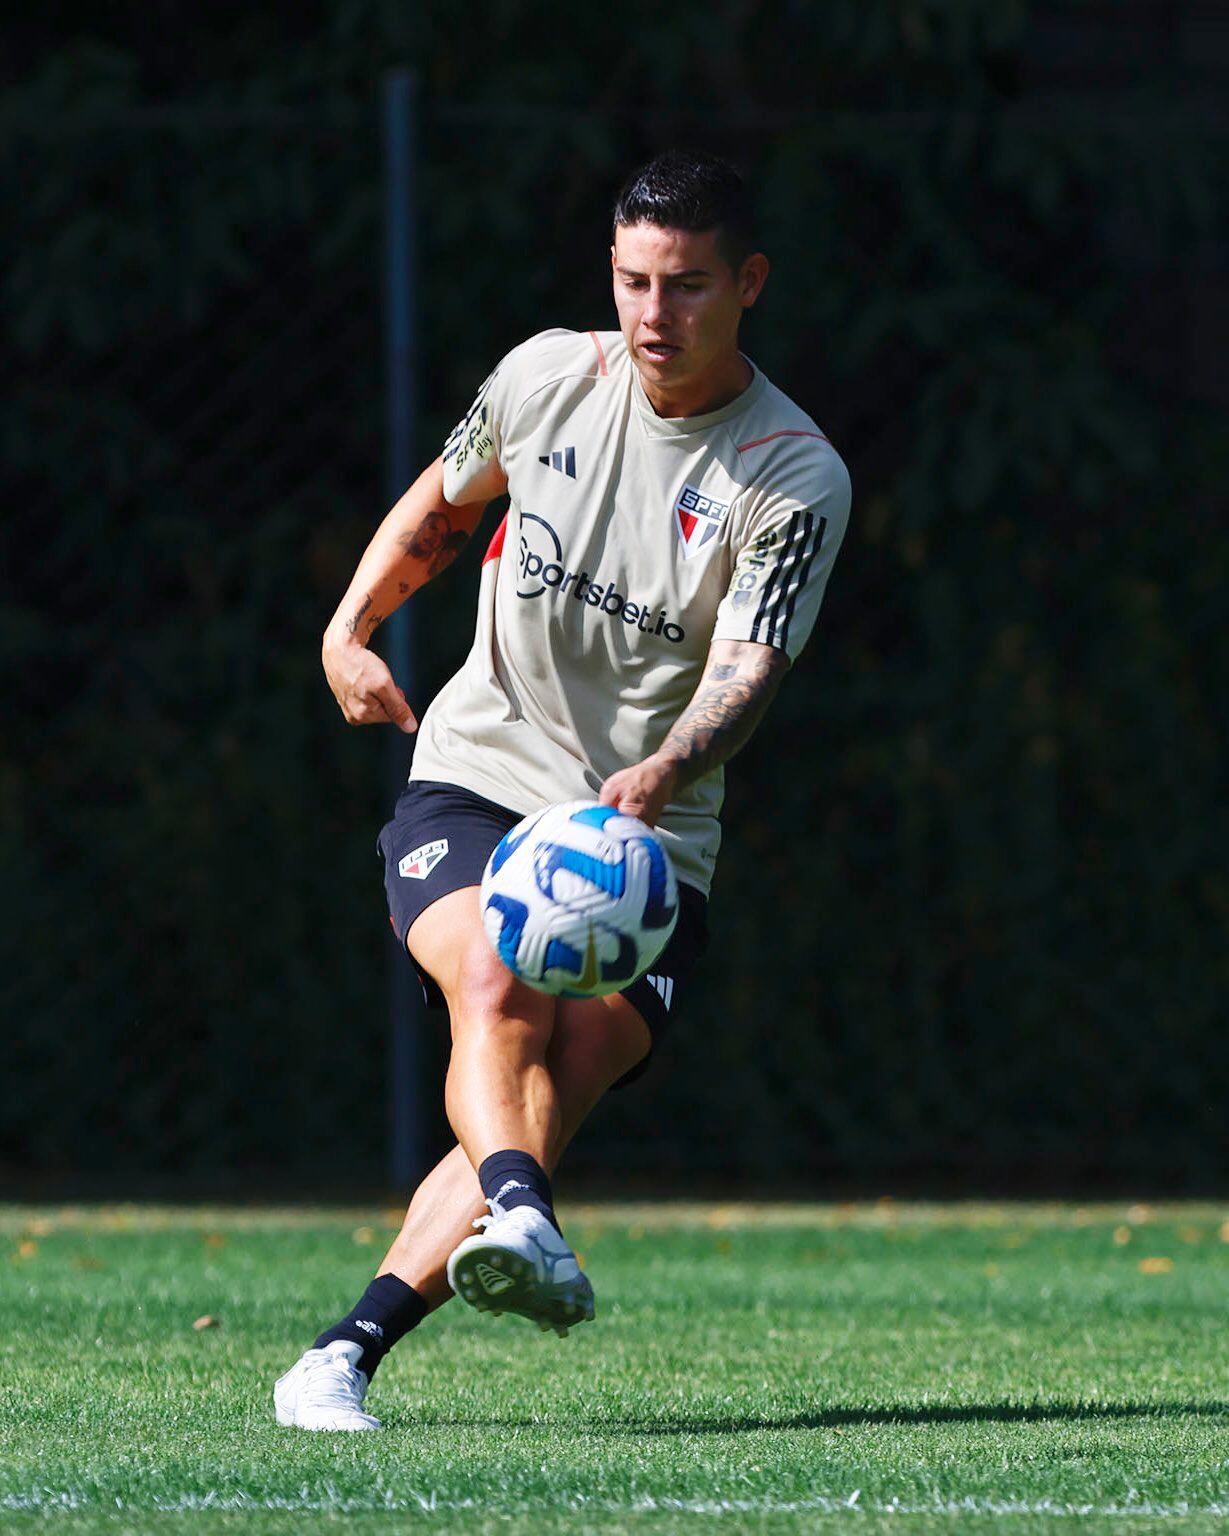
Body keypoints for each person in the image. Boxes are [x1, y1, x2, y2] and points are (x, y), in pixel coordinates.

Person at [274, 150, 851, 1431]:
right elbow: (443, 501)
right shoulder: (547, 377)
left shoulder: (792, 473)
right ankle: (526, 1220)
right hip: (482, 767)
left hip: (651, 833)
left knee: (552, 1080)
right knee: (496, 983)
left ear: (748, 284)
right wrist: (348, 629)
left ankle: (342, 1353)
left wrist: (664, 768)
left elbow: (748, 669)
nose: (655, 313)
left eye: (688, 285)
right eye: (634, 281)